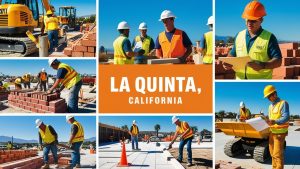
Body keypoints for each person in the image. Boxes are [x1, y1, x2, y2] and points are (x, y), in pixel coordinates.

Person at [225, 1, 282, 79]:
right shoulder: (239, 35)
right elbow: (232, 54)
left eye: (253, 20)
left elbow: (278, 61)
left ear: (261, 20)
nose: (249, 23)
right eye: (247, 20)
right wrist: (227, 62)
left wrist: (262, 65)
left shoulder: (269, 37)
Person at [264, 85, 289, 169]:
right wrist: (267, 120)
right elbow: (271, 119)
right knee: (272, 154)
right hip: (272, 132)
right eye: (267, 97)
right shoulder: (270, 106)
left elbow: (286, 117)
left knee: (277, 155)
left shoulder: (283, 103)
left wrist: (275, 121)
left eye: (269, 96)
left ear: (274, 94)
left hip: (280, 133)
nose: (268, 98)